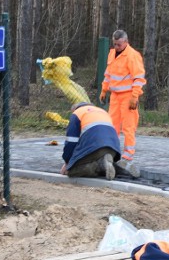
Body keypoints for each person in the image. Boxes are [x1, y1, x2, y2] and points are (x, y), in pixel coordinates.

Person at [99, 29, 146, 166]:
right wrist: (104, 90)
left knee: (128, 127)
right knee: (112, 126)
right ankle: (111, 152)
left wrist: (134, 96)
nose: (116, 47)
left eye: (119, 44)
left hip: (128, 96)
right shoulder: (112, 53)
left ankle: (128, 156)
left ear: (126, 42)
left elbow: (138, 78)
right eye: (114, 44)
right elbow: (108, 74)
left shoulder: (133, 56)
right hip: (115, 96)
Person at [61, 102, 122, 180]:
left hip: (95, 148)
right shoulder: (103, 111)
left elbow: (71, 142)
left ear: (74, 109)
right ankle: (115, 166)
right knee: (95, 158)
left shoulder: (77, 113)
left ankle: (100, 165)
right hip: (113, 150)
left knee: (72, 171)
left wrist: (68, 163)